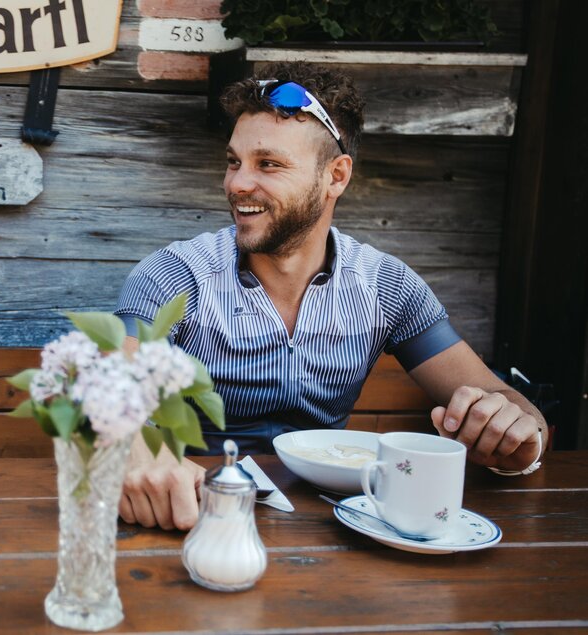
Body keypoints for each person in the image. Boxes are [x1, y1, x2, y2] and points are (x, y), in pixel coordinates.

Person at [114, 61, 547, 531]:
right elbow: (104, 388)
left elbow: (506, 402)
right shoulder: (174, 275)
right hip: (193, 513)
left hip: (337, 522)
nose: (237, 183)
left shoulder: (387, 286)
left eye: (268, 164)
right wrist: (134, 449)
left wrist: (520, 434)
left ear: (336, 176)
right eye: (234, 161)